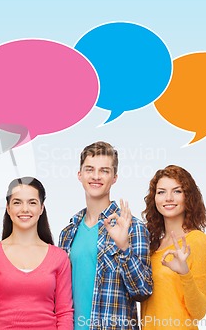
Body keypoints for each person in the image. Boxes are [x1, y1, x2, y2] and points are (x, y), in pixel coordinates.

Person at [59, 141, 153, 330]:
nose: (95, 176)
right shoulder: (68, 232)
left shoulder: (133, 228)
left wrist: (124, 247)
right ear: (80, 175)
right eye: (89, 169)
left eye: (104, 170)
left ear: (114, 177)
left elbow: (143, 291)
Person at [0, 177, 73, 330]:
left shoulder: (59, 257)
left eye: (32, 202)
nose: (25, 209)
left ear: (41, 208)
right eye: (17, 202)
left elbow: (64, 312)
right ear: (8, 208)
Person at [141, 165, 206, 330]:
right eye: (161, 192)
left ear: (188, 197)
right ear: (154, 199)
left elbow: (199, 312)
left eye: (177, 191)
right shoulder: (152, 246)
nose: (168, 198)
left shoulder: (199, 242)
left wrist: (184, 273)